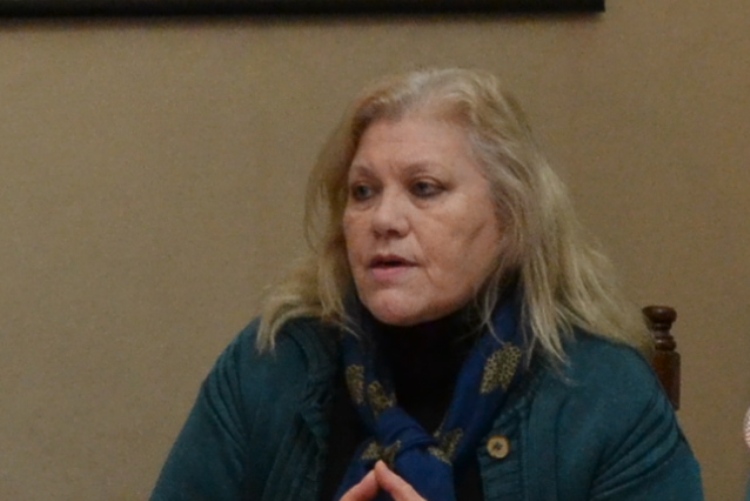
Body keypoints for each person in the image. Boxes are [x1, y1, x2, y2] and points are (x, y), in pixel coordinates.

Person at [150, 68, 703, 500]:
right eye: (363, 192)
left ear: (512, 218)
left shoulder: (604, 395)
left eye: (424, 188)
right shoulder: (270, 367)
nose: (384, 219)